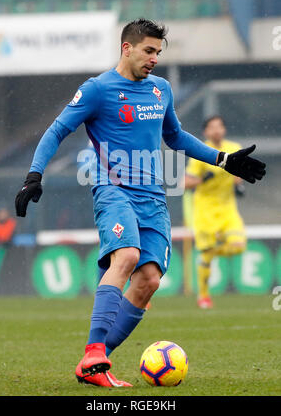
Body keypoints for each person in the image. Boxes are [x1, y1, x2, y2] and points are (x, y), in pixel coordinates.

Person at [15, 19, 266, 388]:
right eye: (148, 51)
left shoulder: (161, 89)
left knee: (148, 280)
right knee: (128, 256)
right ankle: (93, 351)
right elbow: (57, 130)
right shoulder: (98, 90)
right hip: (113, 189)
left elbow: (176, 137)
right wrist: (34, 175)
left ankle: (95, 361)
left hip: (153, 197)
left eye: (158, 53)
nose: (154, 59)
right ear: (126, 48)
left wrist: (223, 160)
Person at [185, 116, 247, 309]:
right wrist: (204, 178)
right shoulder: (202, 152)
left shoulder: (234, 147)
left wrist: (240, 184)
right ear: (206, 132)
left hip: (228, 208)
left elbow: (239, 176)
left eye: (219, 126)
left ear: (224, 129)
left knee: (238, 245)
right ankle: (203, 295)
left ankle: (208, 253)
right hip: (205, 210)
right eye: (212, 127)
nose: (216, 130)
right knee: (207, 255)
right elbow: (186, 183)